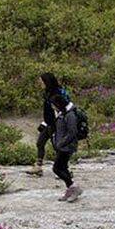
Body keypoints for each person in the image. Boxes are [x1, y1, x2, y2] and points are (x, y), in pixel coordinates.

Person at [37, 72, 84, 202]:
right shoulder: (62, 112)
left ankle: (73, 187)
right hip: (62, 141)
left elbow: (72, 132)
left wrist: (60, 143)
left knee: (57, 167)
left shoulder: (68, 114)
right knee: (60, 167)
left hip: (66, 144)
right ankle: (70, 188)